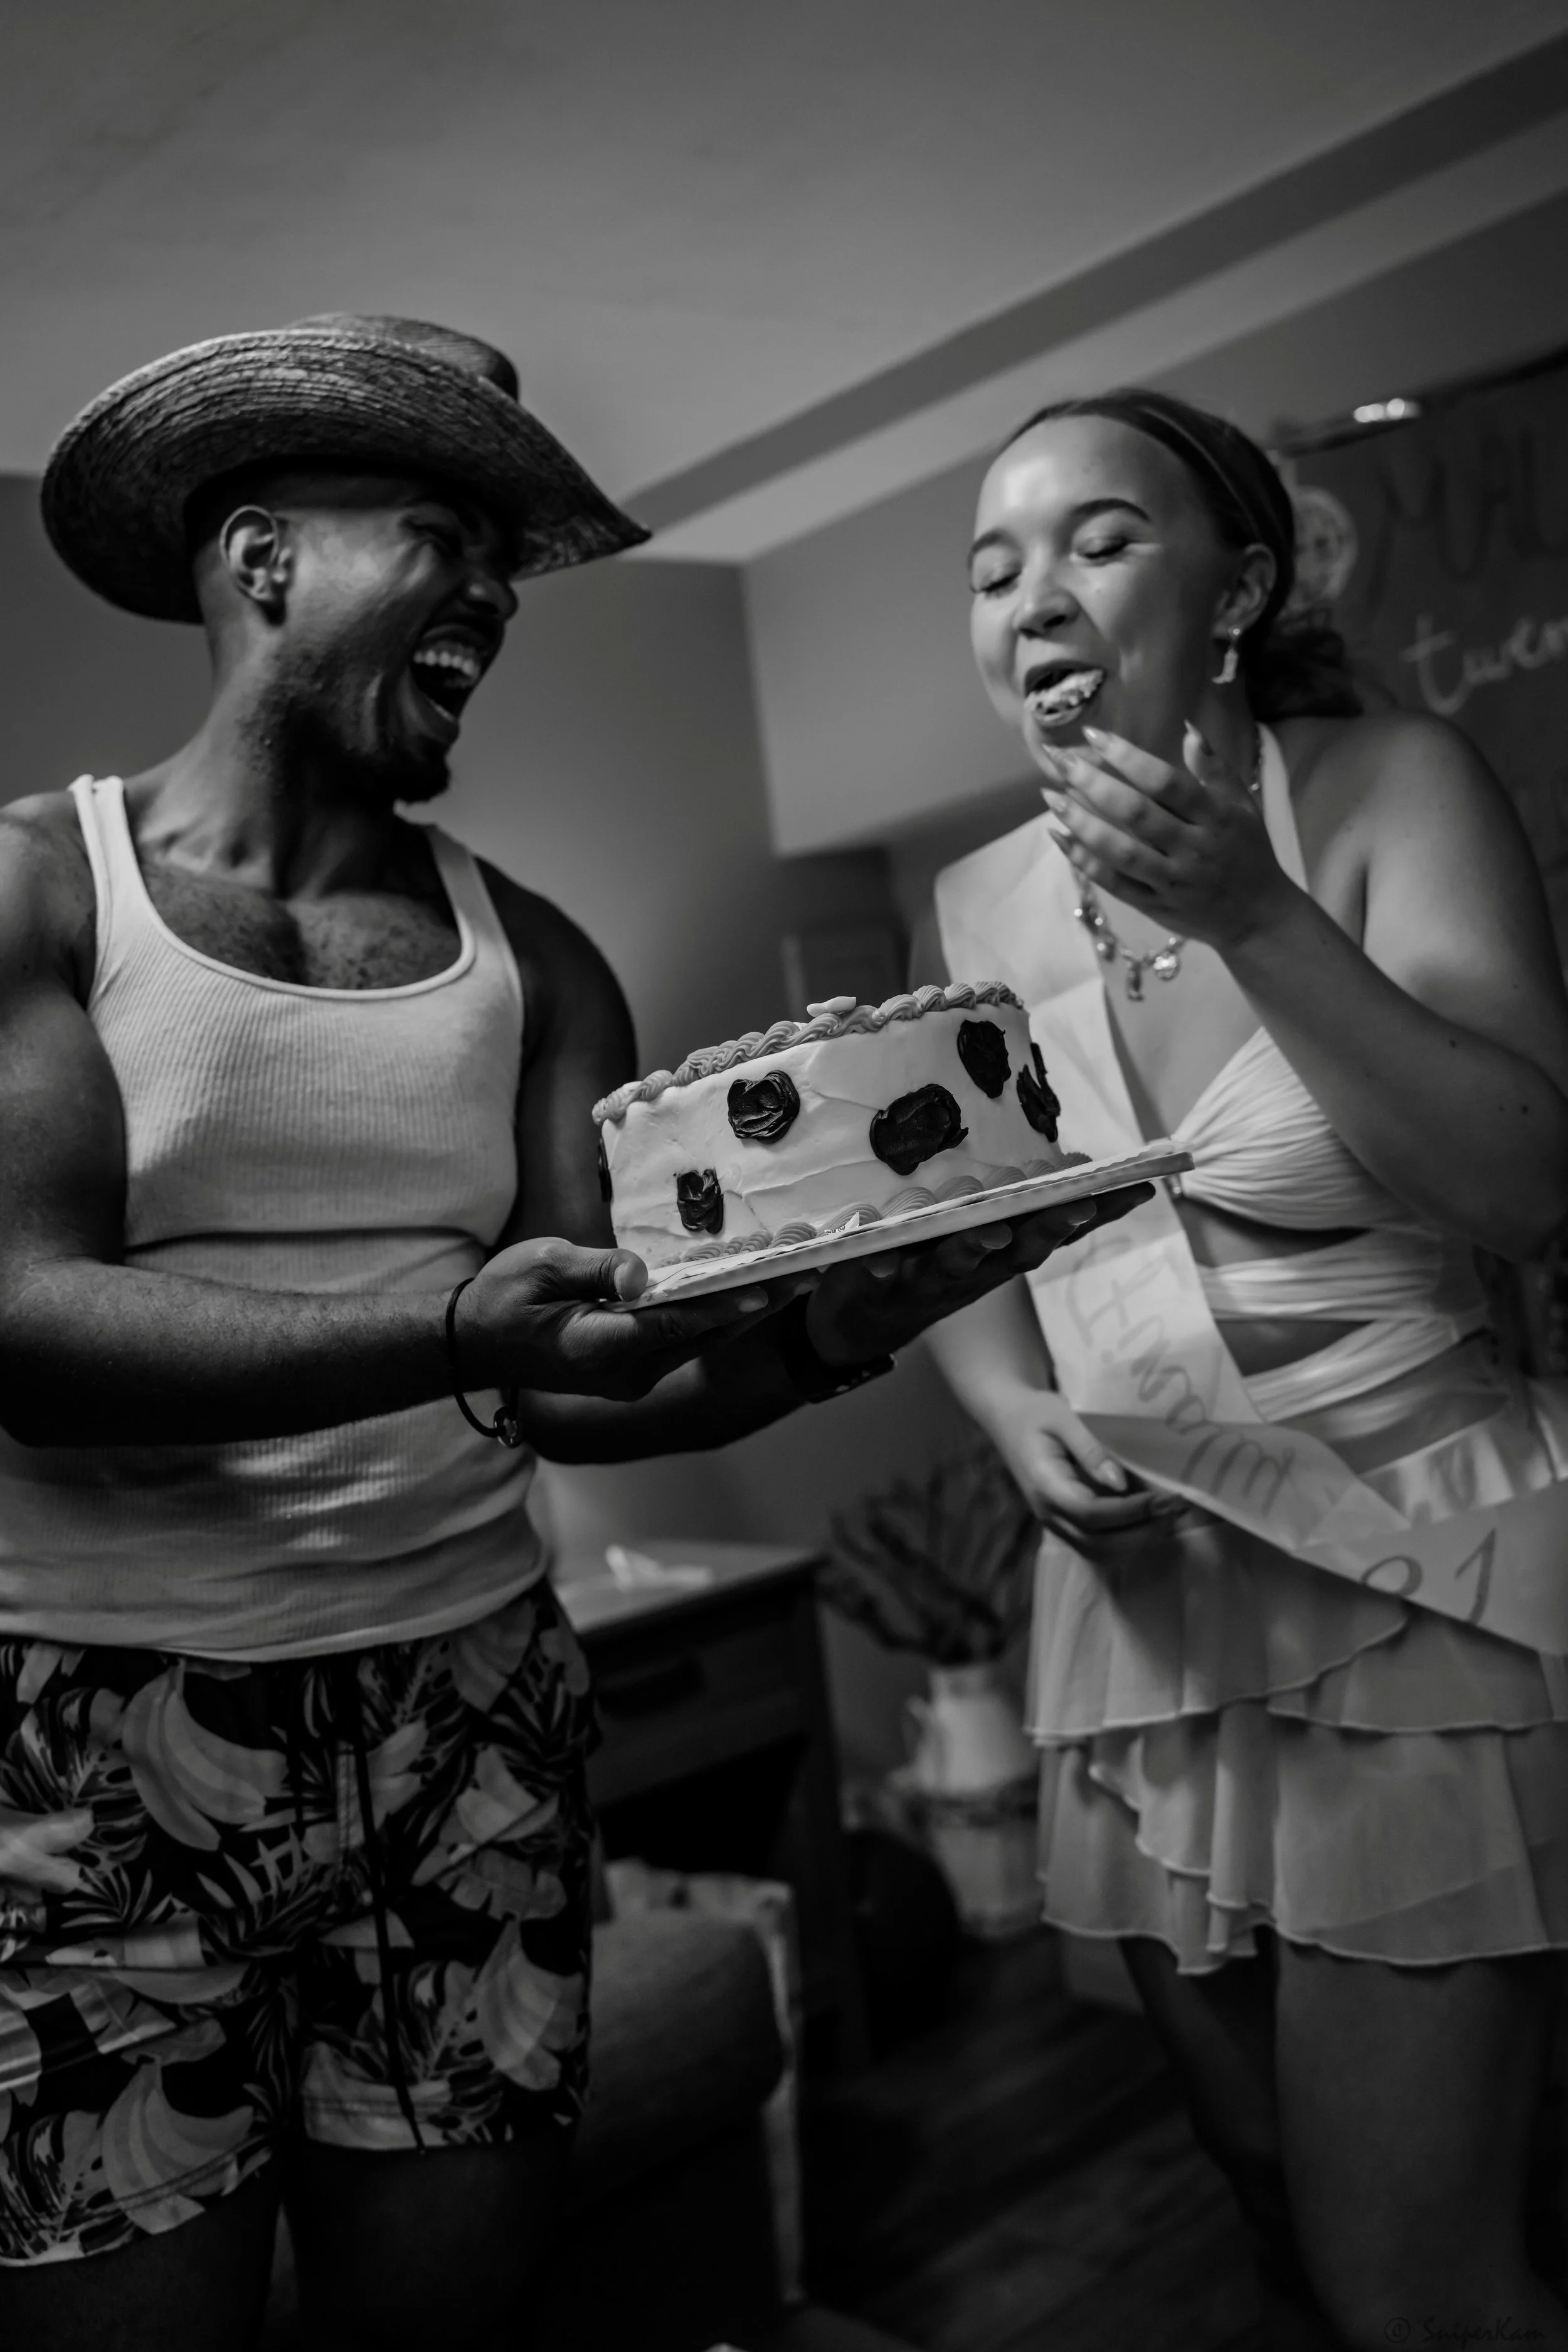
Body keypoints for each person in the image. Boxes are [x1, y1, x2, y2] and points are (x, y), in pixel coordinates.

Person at [0, 316, 1136, 2352]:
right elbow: (19, 1318)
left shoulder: (541, 955)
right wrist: (448, 1325)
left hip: (473, 1716)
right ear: (263, 560)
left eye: (506, 562)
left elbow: (571, 1378)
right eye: (446, 534)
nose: (496, 600)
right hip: (96, 1733)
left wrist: (826, 1340)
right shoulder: (36, 890)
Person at [919, 386, 1568, 2349]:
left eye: (1096, 538)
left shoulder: (1385, 791)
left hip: (1409, 1590)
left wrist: (1253, 912)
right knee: (1270, 2197)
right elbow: (942, 1223)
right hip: (1140, 1614)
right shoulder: (973, 904)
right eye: (991, 562)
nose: (1033, 592)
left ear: (1237, 586)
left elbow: (1520, 1183)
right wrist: (1004, 1402)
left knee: (1414, 2280)